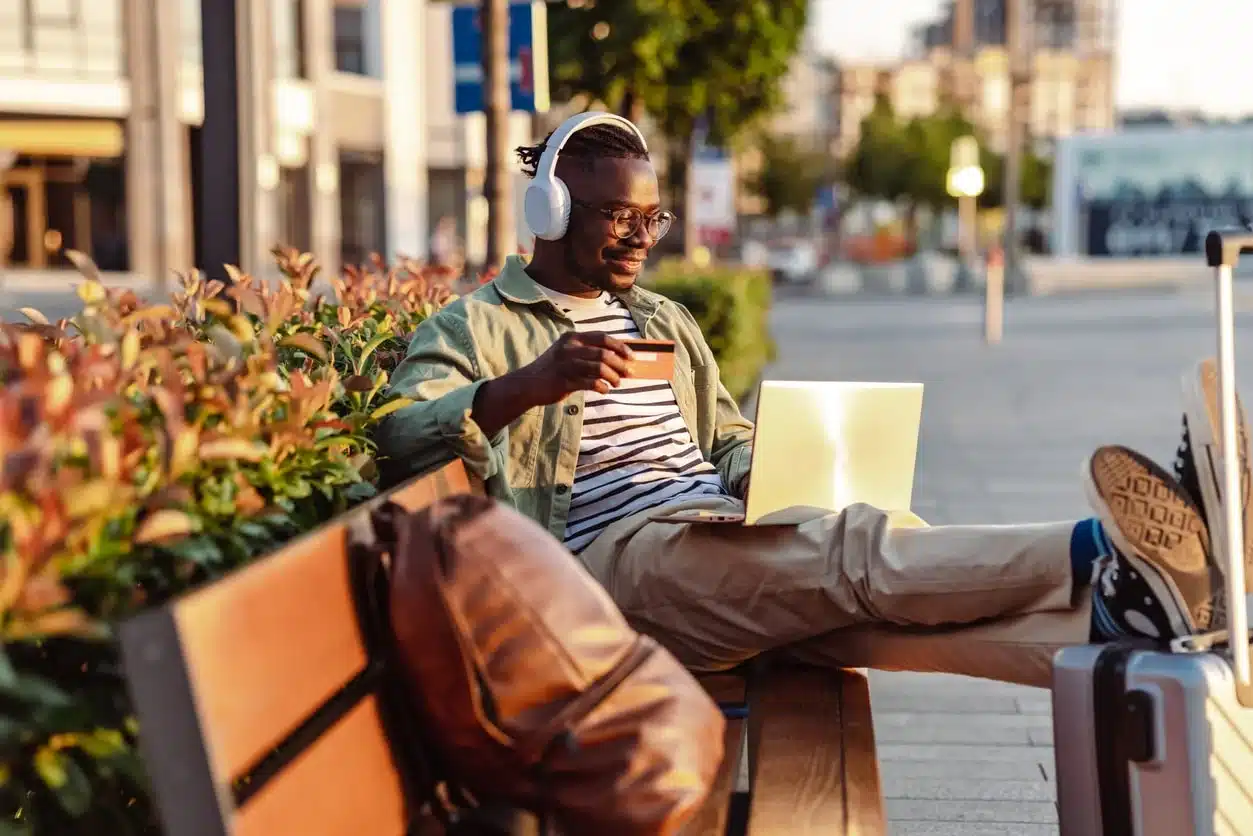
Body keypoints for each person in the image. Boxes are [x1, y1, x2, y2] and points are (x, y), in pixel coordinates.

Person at [376, 112, 1249, 688]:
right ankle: (1113, 544)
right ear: (551, 209)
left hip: (710, 534)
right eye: (619, 217)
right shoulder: (480, 325)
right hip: (611, 568)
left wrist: (768, 471)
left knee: (896, 632)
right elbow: (398, 435)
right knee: (857, 552)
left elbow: (721, 437)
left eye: (654, 219)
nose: (642, 237)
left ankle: (1153, 628)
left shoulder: (662, 319)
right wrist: (532, 382)